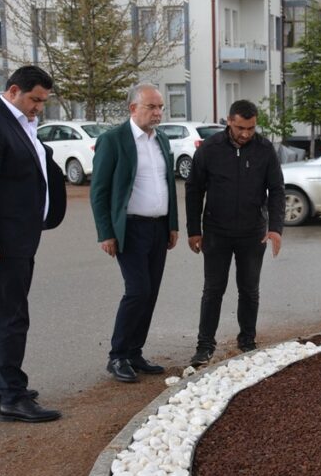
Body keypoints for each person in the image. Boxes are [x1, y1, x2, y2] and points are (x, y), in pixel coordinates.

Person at [0, 65, 66, 423]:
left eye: (43, 101)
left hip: (18, 235)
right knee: (11, 316)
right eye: (35, 99)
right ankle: (13, 397)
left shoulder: (21, 123)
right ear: (13, 91)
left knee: (0, 312)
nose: (39, 107)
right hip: (1, 242)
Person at [90, 84, 179, 383]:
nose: (158, 113)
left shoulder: (162, 139)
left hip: (159, 227)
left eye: (160, 107)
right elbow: (99, 191)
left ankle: (134, 352)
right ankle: (117, 356)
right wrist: (106, 233)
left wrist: (172, 224)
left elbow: (168, 185)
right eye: (151, 107)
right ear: (132, 108)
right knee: (137, 290)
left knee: (150, 293)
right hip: (129, 229)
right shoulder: (113, 140)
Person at [185, 99, 284, 366]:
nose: (246, 134)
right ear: (229, 121)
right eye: (241, 128)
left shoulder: (265, 149)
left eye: (251, 128)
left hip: (253, 233)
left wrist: (275, 228)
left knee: (249, 290)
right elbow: (194, 190)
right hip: (216, 232)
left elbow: (276, 190)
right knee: (213, 290)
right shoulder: (209, 149)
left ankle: (247, 340)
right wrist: (194, 230)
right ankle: (205, 346)